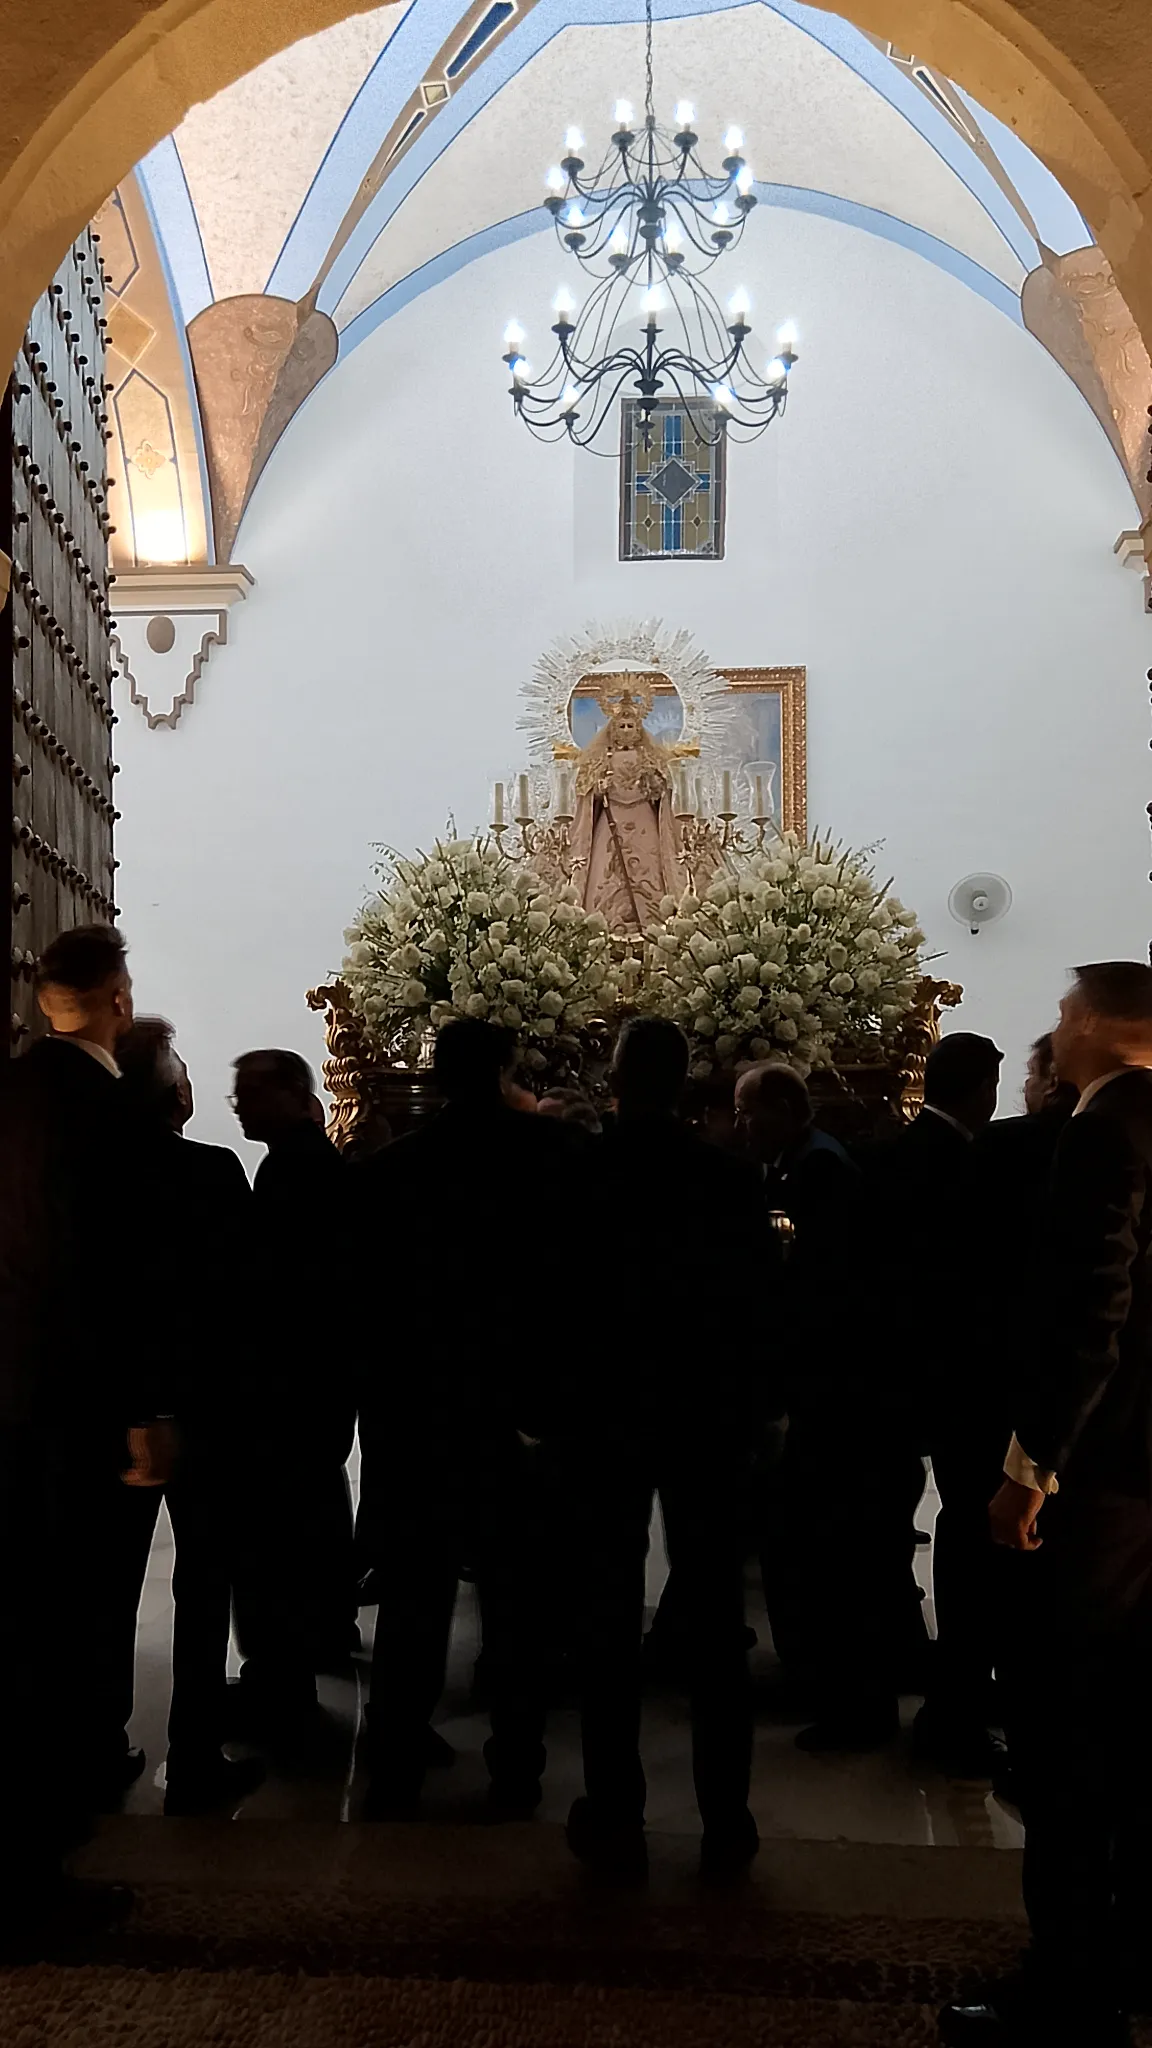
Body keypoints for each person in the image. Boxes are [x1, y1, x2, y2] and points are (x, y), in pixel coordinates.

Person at [942, 963, 1152, 2047]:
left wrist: (1031, 1465)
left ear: (1113, 1026)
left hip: (1103, 1483)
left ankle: (1068, 1987)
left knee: (1068, 1730)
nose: (1056, 1027)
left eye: (1068, 1011)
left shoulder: (1106, 1128)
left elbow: (1092, 1306)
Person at [557, 1016, 767, 1877]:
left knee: (604, 1619)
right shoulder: (728, 1176)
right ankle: (727, 1820)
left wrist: (549, 1408)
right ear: (687, 1082)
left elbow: (552, 1299)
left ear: (614, 1076)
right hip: (705, 1417)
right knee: (717, 1626)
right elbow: (758, 1305)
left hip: (603, 1415)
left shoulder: (580, 1173)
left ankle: (614, 1811)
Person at [356, 1019, 579, 1818]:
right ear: (505, 1069)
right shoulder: (553, 1157)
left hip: (423, 1414)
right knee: (518, 1604)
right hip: (520, 1416)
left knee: (414, 1604)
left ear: (436, 1074)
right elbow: (571, 1292)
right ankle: (517, 1767)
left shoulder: (392, 1170)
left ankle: (393, 1765)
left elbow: (372, 1311)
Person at [0, 925, 163, 1940]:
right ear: (118, 997)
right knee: (70, 1633)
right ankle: (40, 1867)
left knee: (17, 1621)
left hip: (8, 1402)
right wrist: (149, 1411)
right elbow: (120, 1282)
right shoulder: (113, 1111)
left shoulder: (8, 1094)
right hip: (81, 1410)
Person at [735, 1063, 928, 1749]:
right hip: (836, 1389)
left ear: (785, 1109)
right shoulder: (806, 1163)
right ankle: (836, 1686)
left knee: (839, 1557)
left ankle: (855, 1703)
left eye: (749, 1112)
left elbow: (820, 1292)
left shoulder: (820, 1173)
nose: (741, 1126)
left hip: (839, 1393)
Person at [116, 1018, 265, 1814]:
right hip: (207, 1414)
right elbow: (246, 1301)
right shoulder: (213, 1174)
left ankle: (98, 1743)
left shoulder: (92, 1175)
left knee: (109, 1587)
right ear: (172, 1093)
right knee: (204, 1590)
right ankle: (195, 1754)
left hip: (120, 1409)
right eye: (182, 1067)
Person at [872, 1031, 1006, 1776]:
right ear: (982, 1089)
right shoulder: (965, 1162)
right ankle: (954, 1699)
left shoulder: (896, 1149)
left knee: (906, 1526)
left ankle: (922, 1674)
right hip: (956, 1379)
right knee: (964, 1532)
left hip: (906, 1376)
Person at [229, 1050, 355, 1736]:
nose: (237, 1103)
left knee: (278, 1534)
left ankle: (281, 1677)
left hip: (289, 1384)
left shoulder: (292, 1172)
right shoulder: (312, 1163)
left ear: (291, 1094)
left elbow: (274, 1291)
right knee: (314, 1511)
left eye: (249, 1092)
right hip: (319, 1382)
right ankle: (316, 1640)